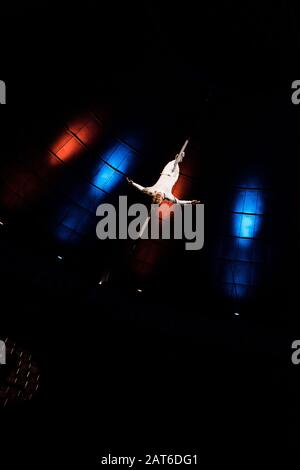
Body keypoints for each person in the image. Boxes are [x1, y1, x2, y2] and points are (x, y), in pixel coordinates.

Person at [126, 150, 200, 205]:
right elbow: (179, 202)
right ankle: (178, 159)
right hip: (174, 176)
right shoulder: (169, 196)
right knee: (176, 164)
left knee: (174, 162)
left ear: (154, 196)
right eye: (159, 198)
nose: (158, 195)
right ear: (162, 199)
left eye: (156, 197)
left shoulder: (151, 191)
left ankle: (177, 159)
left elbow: (142, 189)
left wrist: (132, 183)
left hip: (165, 172)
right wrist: (190, 202)